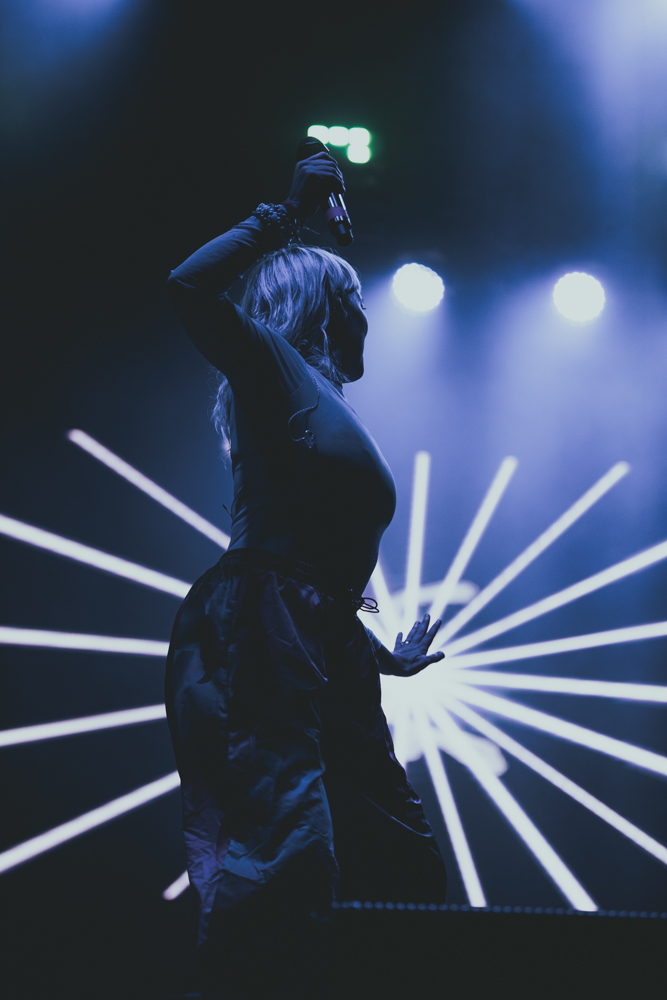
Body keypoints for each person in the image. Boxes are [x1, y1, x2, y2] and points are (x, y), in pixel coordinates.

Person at [165, 150, 448, 999]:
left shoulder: (316, 404)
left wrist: (370, 650)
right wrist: (283, 217)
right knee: (286, 861)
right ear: (318, 308)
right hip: (260, 625)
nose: (368, 318)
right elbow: (186, 289)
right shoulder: (272, 371)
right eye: (354, 301)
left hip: (318, 633)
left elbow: (313, 556)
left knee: (396, 857)